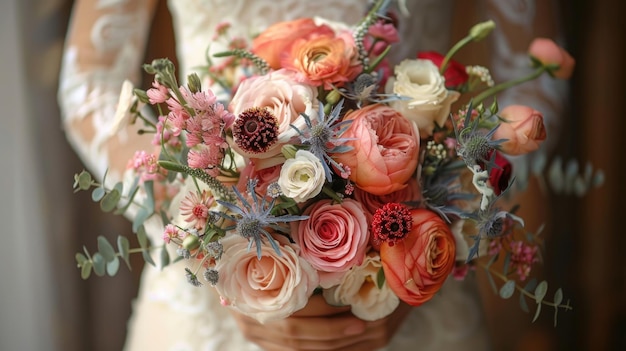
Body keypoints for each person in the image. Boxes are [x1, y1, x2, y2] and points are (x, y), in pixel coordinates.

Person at [58, 0, 568, 350]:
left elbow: (535, 80)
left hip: (416, 298)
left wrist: (432, 241)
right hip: (205, 299)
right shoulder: (204, 236)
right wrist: (202, 233)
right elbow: (90, 87)